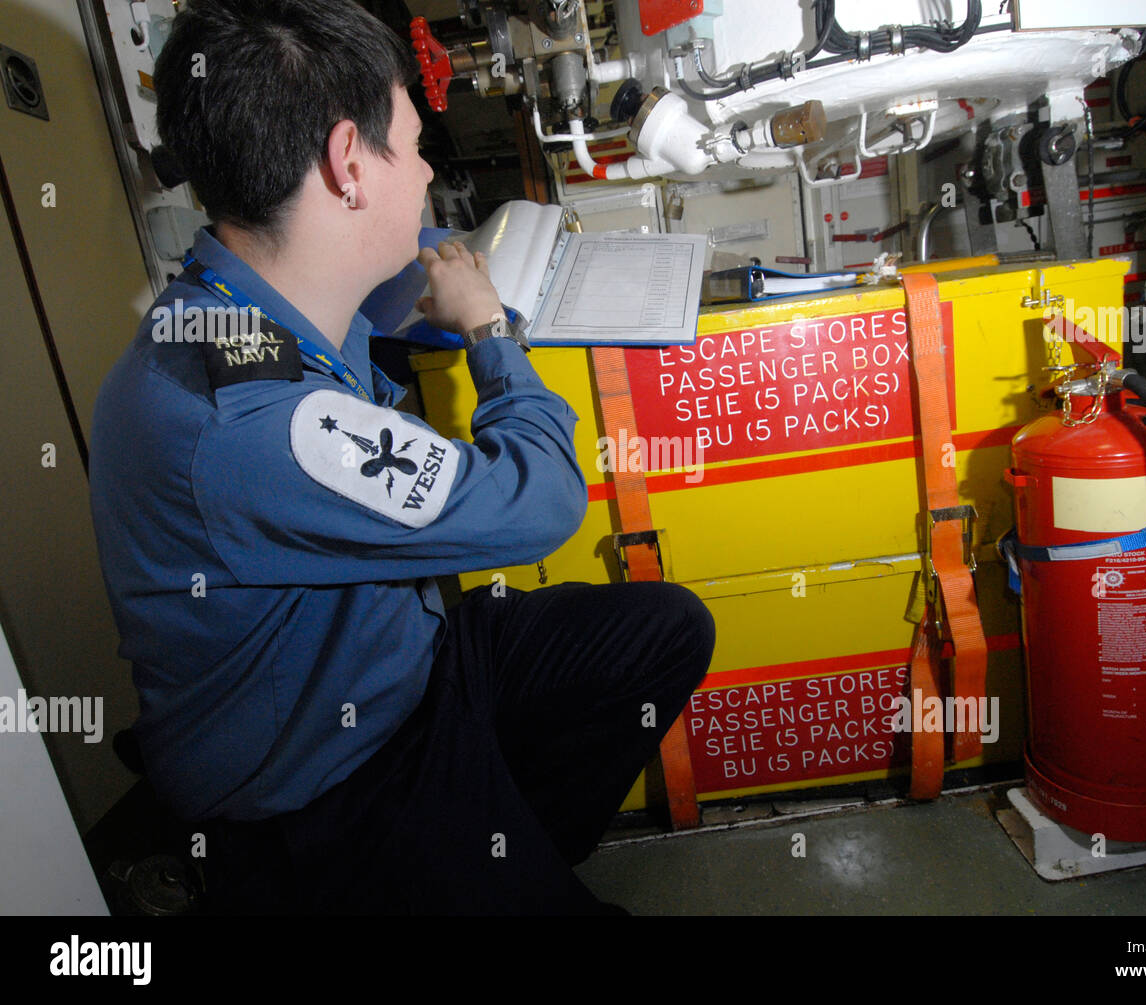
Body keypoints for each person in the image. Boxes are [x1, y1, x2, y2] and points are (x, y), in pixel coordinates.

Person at [87, 0, 714, 915]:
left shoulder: (234, 301)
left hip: (406, 655)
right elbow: (540, 503)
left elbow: (346, 359)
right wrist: (492, 333)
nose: (426, 170)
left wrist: (405, 282)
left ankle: (512, 850)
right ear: (348, 162)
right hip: (335, 782)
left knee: (664, 634)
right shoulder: (246, 419)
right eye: (415, 146)